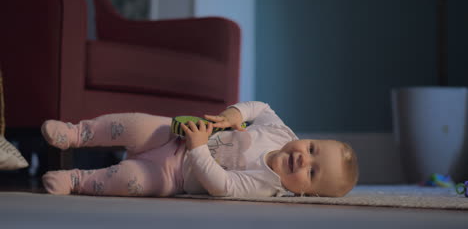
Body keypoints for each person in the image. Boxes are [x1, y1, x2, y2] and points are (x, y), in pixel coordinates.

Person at [41, 101, 359, 197]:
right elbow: (261, 108)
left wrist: (198, 149)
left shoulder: (267, 185)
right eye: (313, 148)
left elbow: (224, 187)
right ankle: (76, 133)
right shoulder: (280, 132)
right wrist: (234, 115)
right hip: (172, 137)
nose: (304, 158)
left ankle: (76, 181)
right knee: (140, 123)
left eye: (312, 172)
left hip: (173, 175)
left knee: (132, 182)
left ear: (306, 193)